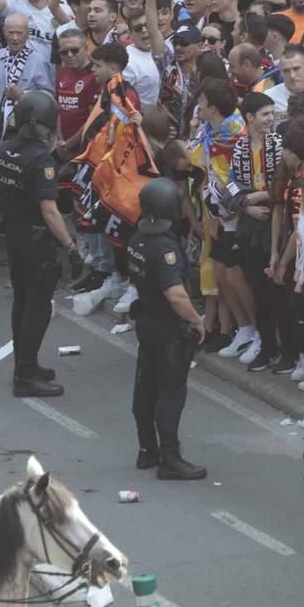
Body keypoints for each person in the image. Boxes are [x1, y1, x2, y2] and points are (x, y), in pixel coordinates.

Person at [0, 90, 86, 398]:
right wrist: (71, 247)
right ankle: (26, 375)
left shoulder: (4, 149)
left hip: (14, 234)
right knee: (38, 307)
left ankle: (25, 365)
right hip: (36, 241)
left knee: (21, 302)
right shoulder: (41, 160)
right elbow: (49, 210)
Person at [128, 176, 209, 480]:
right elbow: (175, 294)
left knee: (145, 388)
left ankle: (147, 450)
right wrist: (195, 320)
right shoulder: (165, 248)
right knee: (171, 393)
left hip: (146, 321)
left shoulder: (137, 240)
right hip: (168, 329)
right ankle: (170, 459)